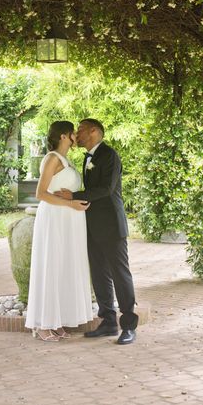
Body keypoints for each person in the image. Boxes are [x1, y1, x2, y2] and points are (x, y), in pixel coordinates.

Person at [57, 118, 138, 345]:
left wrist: (73, 196)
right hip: (92, 226)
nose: (76, 134)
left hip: (112, 225)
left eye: (80, 130)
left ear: (93, 131)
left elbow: (106, 189)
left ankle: (129, 326)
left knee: (120, 275)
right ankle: (108, 321)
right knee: (100, 275)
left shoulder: (109, 155)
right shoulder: (88, 157)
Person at [24, 121, 93, 342]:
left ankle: (58, 320)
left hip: (70, 221)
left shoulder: (66, 160)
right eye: (72, 132)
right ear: (63, 136)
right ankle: (44, 324)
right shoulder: (52, 158)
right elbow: (41, 193)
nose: (75, 136)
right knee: (52, 265)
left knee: (65, 266)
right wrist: (71, 205)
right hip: (55, 218)